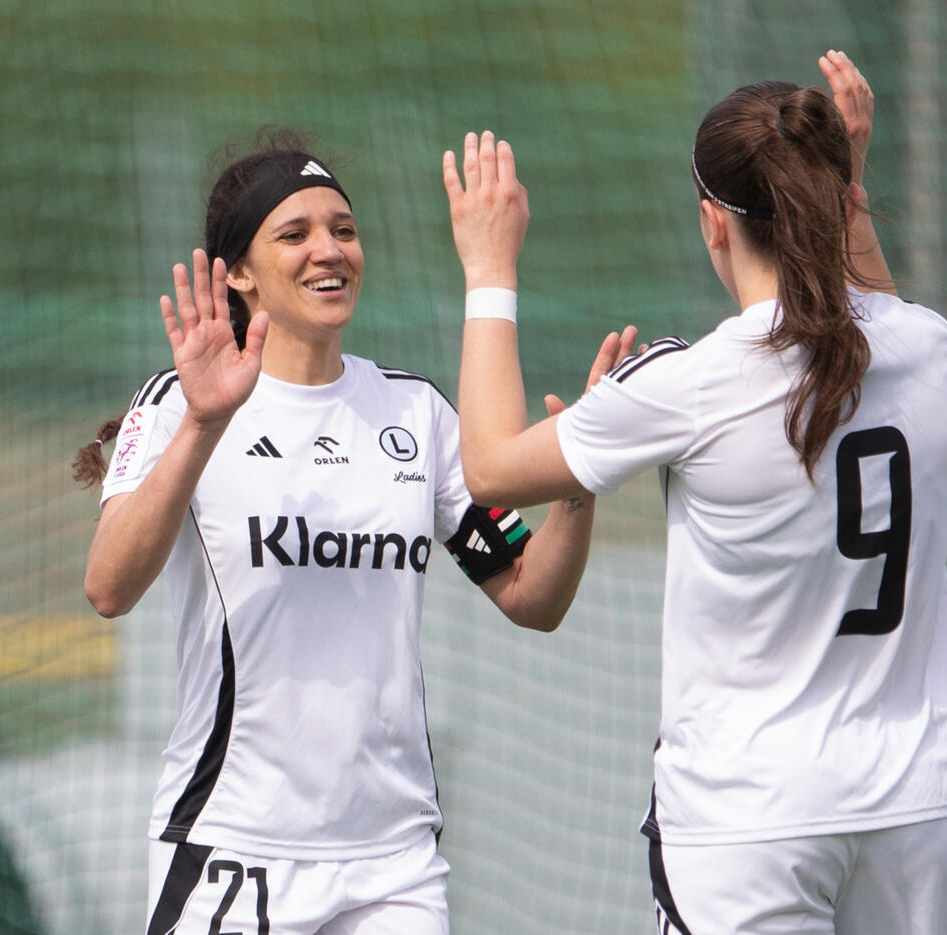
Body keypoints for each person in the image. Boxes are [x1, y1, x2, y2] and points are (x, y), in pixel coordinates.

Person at [441, 52, 947, 935]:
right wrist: (851, 180)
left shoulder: (690, 384)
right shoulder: (932, 347)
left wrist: (488, 266)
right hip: (914, 810)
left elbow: (491, 468)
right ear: (838, 203)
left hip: (749, 818)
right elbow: (876, 307)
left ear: (712, 224)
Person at [72, 128, 619, 935]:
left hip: (392, 863)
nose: (329, 250)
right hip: (235, 849)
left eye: (344, 229)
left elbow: (532, 594)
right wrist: (203, 423)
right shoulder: (181, 401)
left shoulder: (415, 415)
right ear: (242, 275)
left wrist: (577, 487)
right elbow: (108, 586)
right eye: (294, 234)